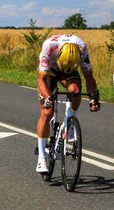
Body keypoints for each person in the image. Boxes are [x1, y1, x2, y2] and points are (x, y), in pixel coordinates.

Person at [36, 34, 100, 173]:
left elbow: (89, 78)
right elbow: (41, 79)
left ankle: (69, 122)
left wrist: (93, 98)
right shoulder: (49, 47)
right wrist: (47, 98)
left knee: (75, 90)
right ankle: (41, 158)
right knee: (47, 112)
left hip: (69, 69)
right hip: (51, 71)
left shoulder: (82, 48)